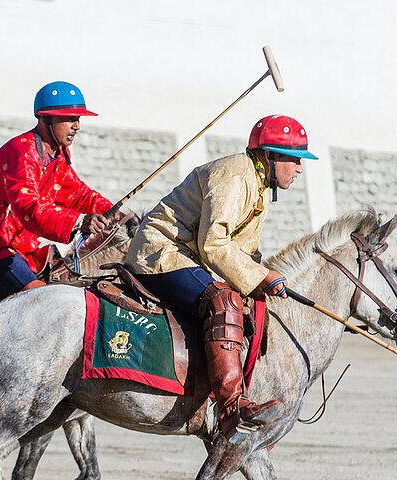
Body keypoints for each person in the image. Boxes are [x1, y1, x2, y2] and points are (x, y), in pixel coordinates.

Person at [124, 114, 318, 443]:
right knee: (224, 302)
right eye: (294, 159)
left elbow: (243, 252)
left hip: (189, 256)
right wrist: (260, 275)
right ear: (270, 156)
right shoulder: (236, 176)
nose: (299, 168)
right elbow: (213, 245)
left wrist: (261, 280)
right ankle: (231, 410)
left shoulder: (258, 185)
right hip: (162, 252)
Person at [0, 81, 125, 297]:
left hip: (25, 250)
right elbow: (27, 206)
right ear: (46, 118)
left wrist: (118, 215)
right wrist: (80, 221)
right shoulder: (21, 151)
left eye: (78, 119)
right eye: (69, 119)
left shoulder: (58, 154)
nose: (77, 126)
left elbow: (77, 194)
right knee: (42, 301)